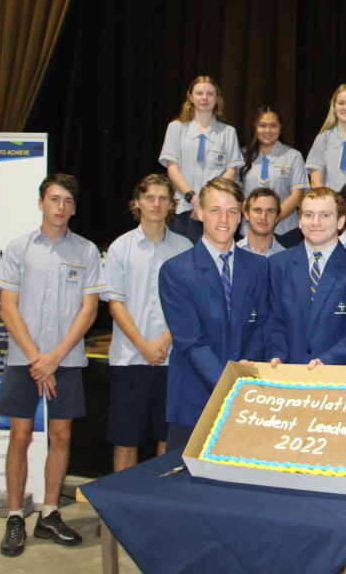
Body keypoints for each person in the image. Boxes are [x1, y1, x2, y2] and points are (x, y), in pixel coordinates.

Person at [0, 173, 103, 557]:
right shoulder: (18, 248)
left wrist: (54, 358)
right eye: (54, 199)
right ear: (41, 202)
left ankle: (50, 512)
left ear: (74, 207)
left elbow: (89, 311)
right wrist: (37, 359)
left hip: (66, 359)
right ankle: (14, 517)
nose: (61, 207)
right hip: (23, 359)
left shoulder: (87, 251)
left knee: (61, 436)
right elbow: (7, 308)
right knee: (20, 436)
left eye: (68, 201)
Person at [158, 177, 270, 452]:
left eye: (232, 211)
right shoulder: (176, 270)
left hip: (248, 394)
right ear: (199, 212)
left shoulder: (259, 267)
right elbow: (190, 340)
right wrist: (230, 383)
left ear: (241, 216)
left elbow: (263, 326)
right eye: (215, 210)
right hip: (194, 398)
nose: (224, 219)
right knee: (186, 477)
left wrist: (248, 372)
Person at [101, 174, 192, 473]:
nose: (156, 204)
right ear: (137, 203)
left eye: (163, 198)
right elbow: (115, 303)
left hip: (172, 360)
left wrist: (163, 342)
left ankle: (159, 501)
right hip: (129, 359)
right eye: (149, 198)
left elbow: (188, 305)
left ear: (172, 205)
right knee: (125, 439)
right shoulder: (120, 247)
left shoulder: (184, 248)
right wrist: (143, 345)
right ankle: (119, 502)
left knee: (167, 440)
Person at [265, 187, 346, 366]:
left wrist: (327, 360)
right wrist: (276, 355)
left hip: (337, 374)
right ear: (300, 221)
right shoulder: (277, 265)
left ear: (340, 221)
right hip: (287, 373)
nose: (316, 222)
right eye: (308, 215)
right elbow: (273, 322)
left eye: (325, 215)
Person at [159, 75, 244, 243]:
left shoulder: (228, 132)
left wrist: (207, 199)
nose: (204, 98)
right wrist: (193, 198)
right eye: (199, 93)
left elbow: (231, 171)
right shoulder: (176, 128)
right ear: (190, 97)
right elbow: (172, 168)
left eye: (210, 94)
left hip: (216, 210)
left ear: (217, 98)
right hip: (183, 208)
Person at [240, 107, 308, 248]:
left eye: (273, 126)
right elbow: (238, 194)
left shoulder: (293, 156)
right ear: (255, 127)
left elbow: (297, 195)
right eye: (263, 125)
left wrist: (272, 218)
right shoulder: (242, 156)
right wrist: (256, 220)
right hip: (249, 232)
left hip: (285, 233)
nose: (268, 130)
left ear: (280, 127)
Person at [236, 187, 286, 257]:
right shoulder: (232, 253)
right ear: (246, 214)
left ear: (277, 217)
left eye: (270, 211)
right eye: (257, 210)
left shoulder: (286, 258)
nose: (263, 217)